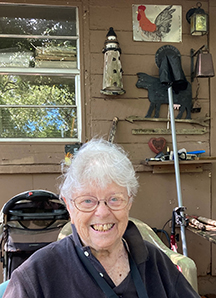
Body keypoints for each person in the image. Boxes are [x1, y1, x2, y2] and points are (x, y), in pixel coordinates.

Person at [3, 138, 200, 298]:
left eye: (114, 199)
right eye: (88, 201)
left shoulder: (156, 263)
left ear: (129, 202)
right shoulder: (36, 277)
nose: (102, 212)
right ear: (69, 206)